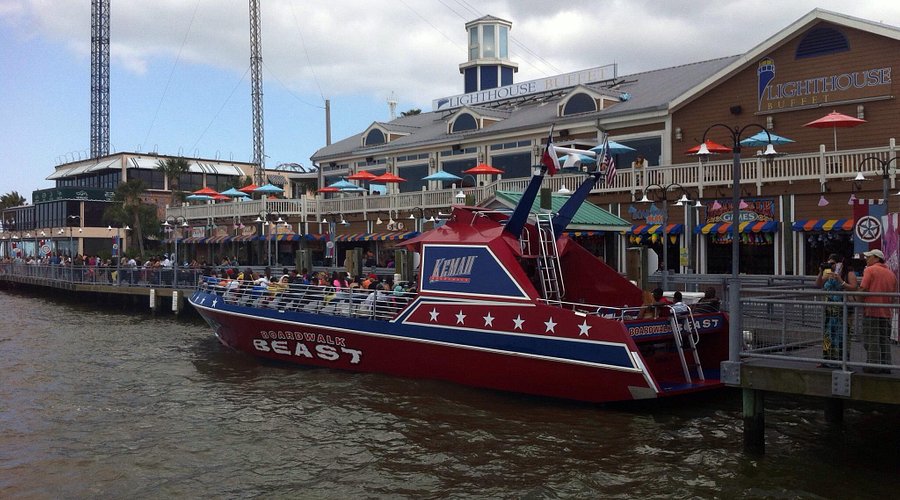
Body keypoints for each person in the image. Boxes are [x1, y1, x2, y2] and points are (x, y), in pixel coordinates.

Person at [855, 249, 896, 373]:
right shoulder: (891, 274)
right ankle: (886, 365)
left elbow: (863, 288)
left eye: (869, 257)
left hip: (871, 310)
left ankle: (873, 365)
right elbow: (893, 295)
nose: (866, 260)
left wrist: (856, 299)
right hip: (886, 312)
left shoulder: (869, 270)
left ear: (876, 258)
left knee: (871, 339)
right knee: (884, 340)